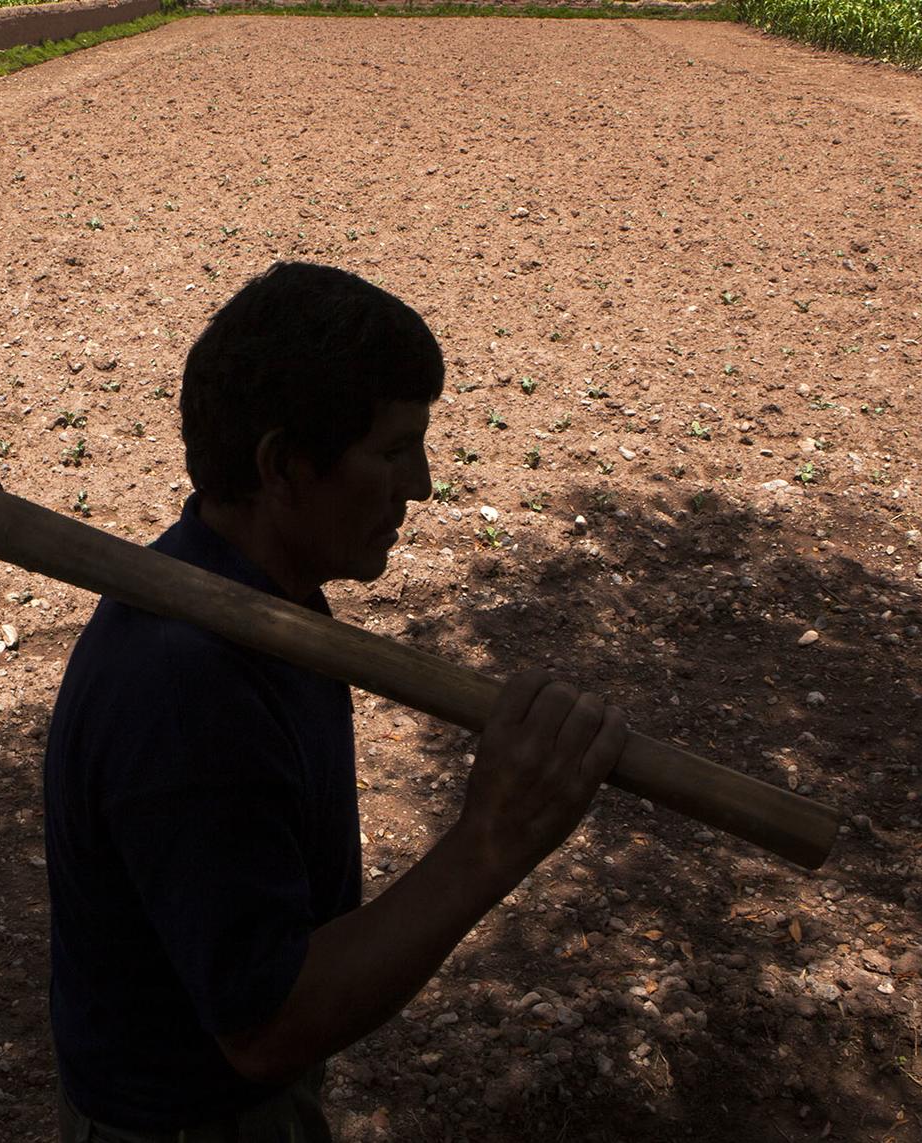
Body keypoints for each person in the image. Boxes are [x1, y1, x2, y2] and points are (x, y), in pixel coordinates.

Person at [42, 262, 627, 1141]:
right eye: (393, 450)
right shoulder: (186, 691)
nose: (423, 485)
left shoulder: (264, 600)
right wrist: (492, 839)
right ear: (281, 465)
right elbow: (267, 1024)